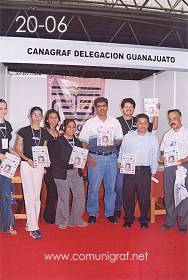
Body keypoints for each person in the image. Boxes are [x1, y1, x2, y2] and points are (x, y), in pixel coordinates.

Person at [79, 97, 123, 224]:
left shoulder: (114, 122)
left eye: (104, 105)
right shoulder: (89, 123)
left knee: (110, 188)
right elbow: (83, 142)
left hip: (111, 157)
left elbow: (119, 139)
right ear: (95, 108)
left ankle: (110, 213)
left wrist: (113, 143)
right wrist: (88, 158)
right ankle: (93, 213)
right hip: (95, 158)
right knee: (93, 187)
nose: (102, 108)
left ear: (107, 107)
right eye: (99, 106)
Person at [114, 97, 159, 219]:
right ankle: (128, 218)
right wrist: (119, 162)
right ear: (136, 124)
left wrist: (153, 171)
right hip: (129, 169)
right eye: (140, 123)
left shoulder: (152, 139)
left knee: (144, 196)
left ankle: (144, 218)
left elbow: (155, 155)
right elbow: (122, 151)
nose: (143, 125)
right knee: (128, 195)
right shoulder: (129, 136)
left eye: (145, 123)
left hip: (144, 170)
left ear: (147, 124)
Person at [15, 106, 49, 240]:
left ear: (41, 117)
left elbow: (44, 149)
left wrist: (43, 164)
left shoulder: (44, 133)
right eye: (34, 114)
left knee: (36, 197)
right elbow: (17, 149)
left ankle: (30, 224)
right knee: (29, 196)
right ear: (30, 116)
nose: (37, 117)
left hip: (39, 166)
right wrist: (27, 160)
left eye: (39, 115)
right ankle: (34, 228)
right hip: (26, 165)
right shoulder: (23, 131)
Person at [50, 119, 87, 229]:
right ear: (64, 128)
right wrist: (71, 166)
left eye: (73, 127)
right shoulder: (58, 141)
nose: (72, 129)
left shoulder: (78, 141)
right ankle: (63, 221)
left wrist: (82, 161)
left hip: (76, 172)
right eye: (69, 127)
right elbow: (55, 160)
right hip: (62, 173)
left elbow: (81, 156)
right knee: (63, 197)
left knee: (80, 196)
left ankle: (76, 220)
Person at [160, 109, 188, 234]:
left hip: (184, 167)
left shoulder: (187, 133)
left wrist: (184, 160)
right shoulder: (167, 135)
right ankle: (170, 221)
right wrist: (162, 157)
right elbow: (162, 152)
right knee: (169, 194)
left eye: (175, 118)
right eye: (170, 119)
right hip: (170, 167)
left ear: (180, 118)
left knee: (183, 195)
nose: (172, 121)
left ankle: (183, 223)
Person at [0, 99, 18, 235]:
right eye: (0, 108)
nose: (3, 111)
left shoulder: (8, 125)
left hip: (6, 164)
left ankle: (7, 225)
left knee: (6, 194)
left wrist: (15, 153)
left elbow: (6, 146)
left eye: (5, 108)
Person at [43, 109, 60, 224]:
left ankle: (53, 213)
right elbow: (43, 150)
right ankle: (48, 215)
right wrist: (43, 166)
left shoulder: (59, 134)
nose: (53, 120)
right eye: (51, 117)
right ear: (47, 120)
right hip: (48, 167)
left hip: (59, 168)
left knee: (57, 191)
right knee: (52, 190)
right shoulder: (44, 132)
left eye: (56, 117)